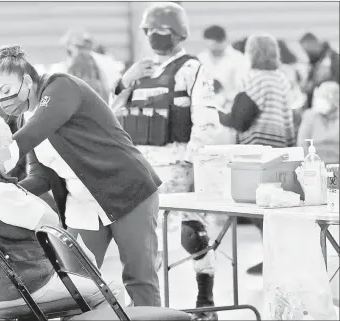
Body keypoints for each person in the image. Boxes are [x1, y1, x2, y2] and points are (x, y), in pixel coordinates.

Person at [0, 44, 162, 308]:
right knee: (74, 282)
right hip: (84, 202)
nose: (3, 99)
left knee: (139, 279)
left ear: (26, 80)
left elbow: (39, 128)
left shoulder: (61, 88)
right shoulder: (27, 120)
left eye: (7, 90)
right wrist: (7, 190)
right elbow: (41, 175)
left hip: (128, 190)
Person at [112, 3, 221, 319]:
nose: (154, 37)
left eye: (161, 31)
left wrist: (192, 161)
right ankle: (147, 304)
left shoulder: (192, 69)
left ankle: (206, 300)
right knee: (142, 242)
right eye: (150, 32)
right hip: (141, 166)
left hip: (177, 164)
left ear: (177, 33)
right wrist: (124, 83)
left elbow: (206, 120)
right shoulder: (139, 69)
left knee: (193, 234)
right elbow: (111, 113)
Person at [0, 115, 124, 308]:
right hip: (25, 288)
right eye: (9, 142)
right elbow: (51, 223)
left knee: (81, 290)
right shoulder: (0, 192)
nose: (14, 147)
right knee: (111, 287)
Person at [219, 35, 296, 276]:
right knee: (275, 208)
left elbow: (240, 120)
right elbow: (289, 118)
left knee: (256, 207)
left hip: (256, 150)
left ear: (252, 53)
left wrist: (216, 112)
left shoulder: (252, 79)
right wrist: (290, 148)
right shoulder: (281, 79)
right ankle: (277, 258)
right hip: (280, 148)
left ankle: (271, 259)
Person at [197, 25, 249, 105]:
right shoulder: (200, 59)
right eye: (210, 49)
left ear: (223, 41)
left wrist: (226, 99)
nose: (213, 52)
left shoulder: (238, 59)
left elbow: (241, 87)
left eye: (215, 49)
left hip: (230, 107)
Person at [297, 81, 339, 164]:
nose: (321, 100)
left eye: (326, 96)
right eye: (321, 96)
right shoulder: (310, 116)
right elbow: (302, 145)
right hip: (314, 167)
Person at [299, 32, 340, 108]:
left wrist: (315, 84)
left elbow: (336, 81)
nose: (307, 53)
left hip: (331, 108)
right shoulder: (314, 62)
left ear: (314, 43)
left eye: (308, 50)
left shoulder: (333, 58)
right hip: (316, 108)